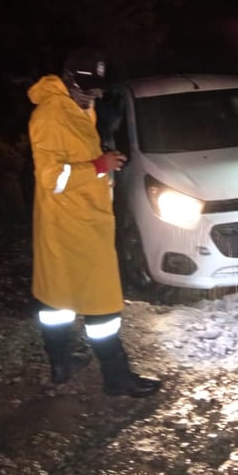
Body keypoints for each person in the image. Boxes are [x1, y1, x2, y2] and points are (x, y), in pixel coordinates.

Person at [26, 47, 161, 397]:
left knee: (57, 298)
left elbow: (80, 154)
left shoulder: (77, 107)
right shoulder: (50, 116)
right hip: (70, 223)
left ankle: (61, 363)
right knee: (102, 302)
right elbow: (51, 178)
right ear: (69, 79)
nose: (94, 94)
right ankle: (117, 377)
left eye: (97, 87)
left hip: (81, 218)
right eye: (88, 87)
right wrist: (100, 166)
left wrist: (104, 154)